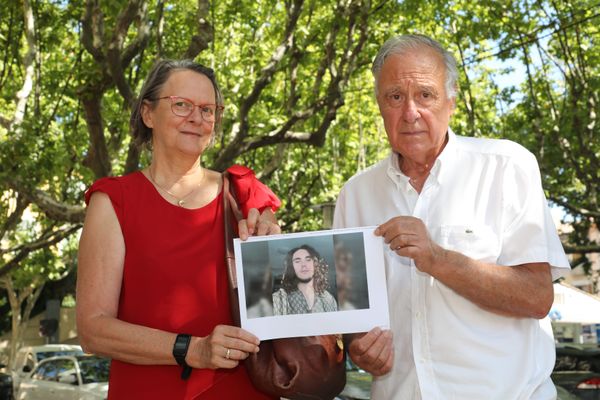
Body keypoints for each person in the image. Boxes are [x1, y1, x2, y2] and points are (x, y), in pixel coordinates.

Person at [333, 34, 570, 399]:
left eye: (425, 95)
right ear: (380, 105)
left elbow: (538, 297)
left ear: (451, 102)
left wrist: (437, 259)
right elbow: (353, 315)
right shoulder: (356, 194)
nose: (410, 112)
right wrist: (359, 346)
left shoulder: (506, 166)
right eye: (395, 97)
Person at [76, 60, 281, 399]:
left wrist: (274, 246)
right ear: (148, 113)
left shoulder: (245, 193)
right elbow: (92, 330)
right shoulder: (114, 201)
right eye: (181, 105)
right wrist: (192, 349)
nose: (197, 118)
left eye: (208, 109)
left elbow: (283, 301)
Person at [272, 245, 338, 315]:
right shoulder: (279, 299)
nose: (303, 265)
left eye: (308, 260)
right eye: (297, 261)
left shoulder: (329, 299)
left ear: (315, 264)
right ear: (292, 267)